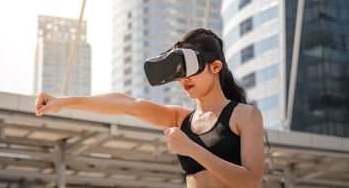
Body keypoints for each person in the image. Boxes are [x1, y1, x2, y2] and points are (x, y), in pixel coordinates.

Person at [35, 28, 266, 188]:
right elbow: (127, 104)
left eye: (191, 70)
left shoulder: (245, 116)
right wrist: (63, 102)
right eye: (180, 72)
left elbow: (251, 182)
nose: (183, 80)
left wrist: (192, 149)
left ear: (216, 67)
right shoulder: (181, 119)